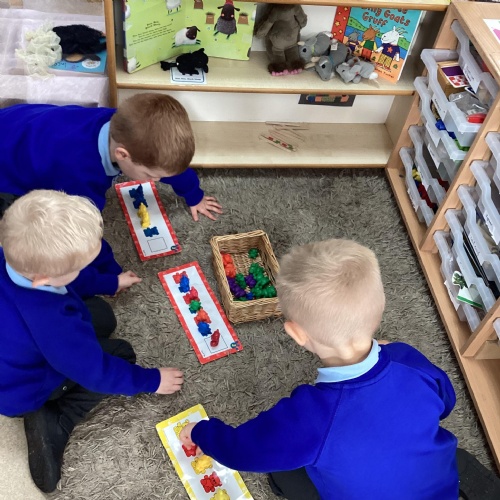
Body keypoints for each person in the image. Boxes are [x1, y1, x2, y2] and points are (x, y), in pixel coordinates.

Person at [180, 238, 459, 499]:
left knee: (283, 470)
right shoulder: (409, 360)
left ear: (297, 334)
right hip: (444, 492)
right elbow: (446, 403)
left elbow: (244, 451)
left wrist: (201, 433)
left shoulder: (309, 416)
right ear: (380, 308)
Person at [0, 190, 184, 493]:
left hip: (16, 348)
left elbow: (69, 277)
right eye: (78, 267)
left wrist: (110, 282)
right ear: (44, 279)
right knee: (121, 355)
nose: (81, 271)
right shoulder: (52, 322)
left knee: (100, 314)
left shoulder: (18, 259)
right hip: (22, 391)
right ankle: (57, 418)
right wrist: (153, 381)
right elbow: (97, 374)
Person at [0, 93, 222, 298]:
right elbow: (85, 235)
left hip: (20, 122)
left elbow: (167, 165)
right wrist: (111, 276)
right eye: (150, 176)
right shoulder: (80, 176)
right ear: (122, 155)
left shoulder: (121, 124)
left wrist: (194, 194)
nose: (155, 181)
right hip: (8, 167)